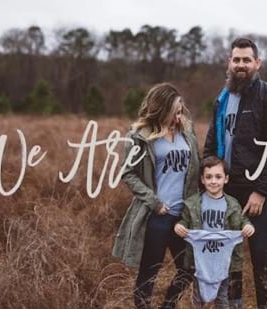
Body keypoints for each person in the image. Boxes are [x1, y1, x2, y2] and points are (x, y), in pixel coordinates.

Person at [203, 38, 267, 308]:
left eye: (246, 60)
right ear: (229, 63)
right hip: (224, 191)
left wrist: (261, 191)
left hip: (254, 191)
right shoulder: (223, 98)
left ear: (257, 63)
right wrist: (208, 184)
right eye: (236, 59)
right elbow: (210, 145)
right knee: (228, 254)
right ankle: (232, 304)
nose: (241, 65)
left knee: (260, 254)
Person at [112, 83, 200, 309]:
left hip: (184, 216)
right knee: (149, 272)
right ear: (162, 109)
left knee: (189, 268)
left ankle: (168, 305)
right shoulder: (140, 137)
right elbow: (128, 173)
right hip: (158, 216)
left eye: (181, 111)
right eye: (175, 112)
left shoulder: (188, 135)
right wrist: (154, 202)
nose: (179, 116)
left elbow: (195, 171)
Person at [174, 156, 255, 309]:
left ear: (226, 179)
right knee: (197, 298)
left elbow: (242, 221)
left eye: (218, 177)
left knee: (222, 298)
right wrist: (179, 226)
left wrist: (247, 226)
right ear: (202, 180)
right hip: (200, 261)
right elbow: (184, 221)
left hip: (223, 261)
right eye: (209, 177)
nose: (213, 181)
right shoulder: (193, 203)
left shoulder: (232, 204)